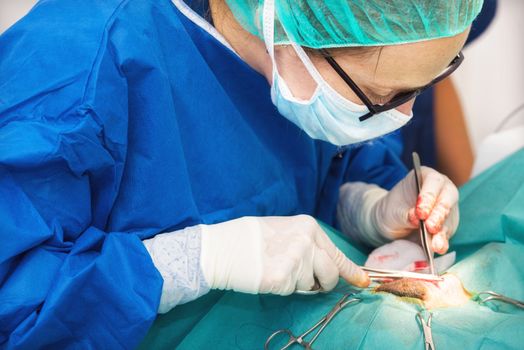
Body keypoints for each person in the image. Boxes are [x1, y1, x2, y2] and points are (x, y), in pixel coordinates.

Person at [0, 0, 482, 348]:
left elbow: (304, 168)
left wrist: (366, 206)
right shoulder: (80, 69)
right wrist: (192, 262)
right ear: (289, 26)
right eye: (387, 95)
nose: (403, 115)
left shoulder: (290, 73)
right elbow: (14, 299)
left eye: (429, 82)